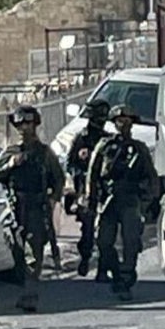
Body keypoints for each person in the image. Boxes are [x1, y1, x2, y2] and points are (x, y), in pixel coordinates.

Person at [0, 105, 65, 312]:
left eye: (28, 123)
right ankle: (24, 288)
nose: (24, 128)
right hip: (15, 207)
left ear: (35, 124)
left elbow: (58, 179)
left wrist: (53, 199)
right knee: (17, 251)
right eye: (20, 124)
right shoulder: (11, 151)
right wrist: (10, 164)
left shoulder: (44, 153)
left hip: (36, 207)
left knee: (34, 252)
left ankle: (30, 295)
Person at [85, 104, 158, 301]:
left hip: (130, 200)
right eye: (120, 121)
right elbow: (92, 174)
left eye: (127, 121)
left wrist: (149, 201)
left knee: (131, 241)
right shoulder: (104, 146)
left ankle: (126, 278)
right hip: (109, 199)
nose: (124, 125)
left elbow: (151, 176)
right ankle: (115, 271)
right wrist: (90, 199)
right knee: (104, 242)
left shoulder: (139, 149)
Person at [65, 98, 112, 279]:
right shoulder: (81, 138)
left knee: (105, 231)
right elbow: (69, 164)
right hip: (86, 192)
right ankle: (85, 257)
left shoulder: (107, 139)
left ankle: (102, 269)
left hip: (104, 191)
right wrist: (82, 175)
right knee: (88, 231)